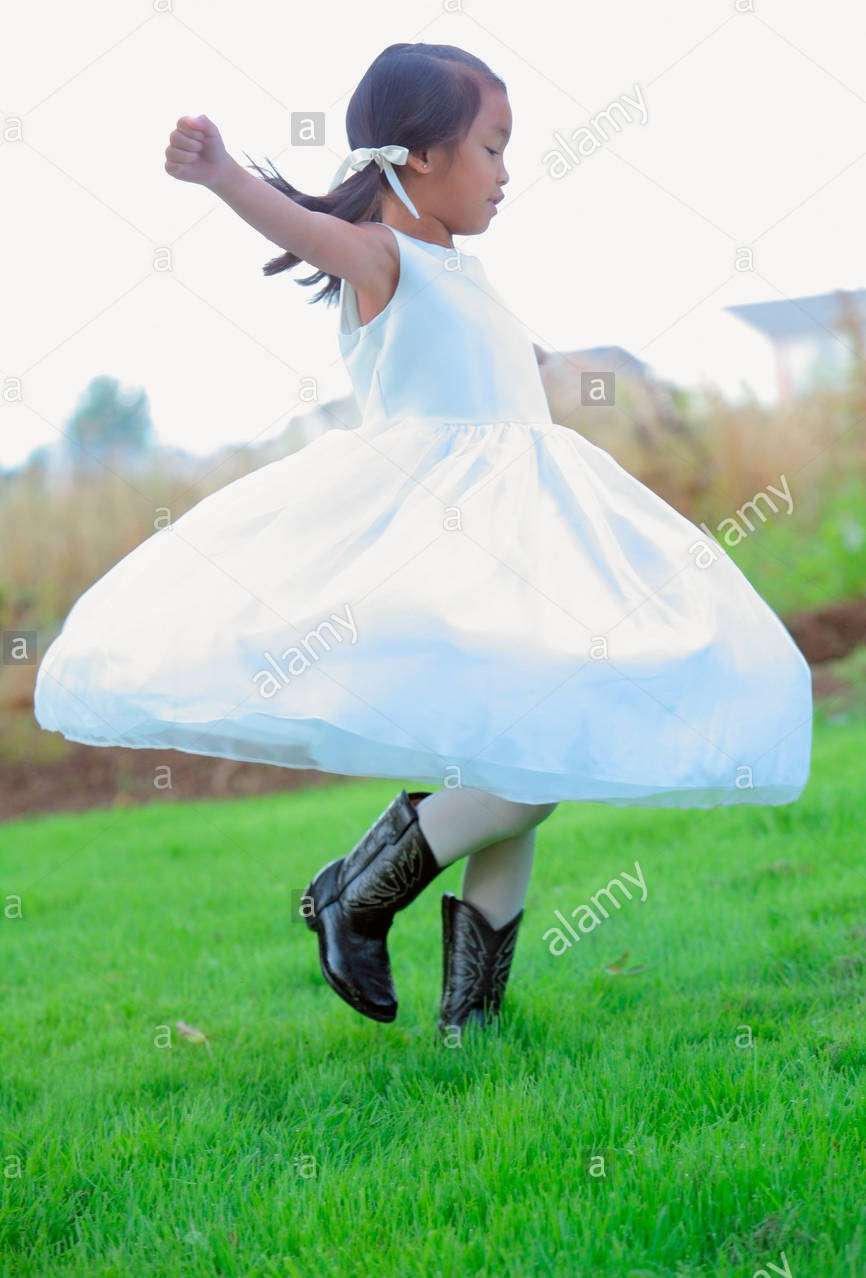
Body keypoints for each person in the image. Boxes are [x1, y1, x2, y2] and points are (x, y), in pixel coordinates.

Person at [32, 42, 813, 1036]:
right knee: (525, 770)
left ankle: (467, 1018)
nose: (504, 171)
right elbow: (303, 227)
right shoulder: (380, 256)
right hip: (443, 534)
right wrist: (223, 173)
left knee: (532, 752)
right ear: (418, 155)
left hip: (531, 530)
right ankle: (358, 891)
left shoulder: (467, 271)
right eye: (490, 147)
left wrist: (584, 371)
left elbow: (513, 362)